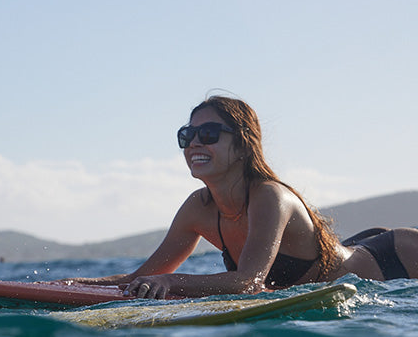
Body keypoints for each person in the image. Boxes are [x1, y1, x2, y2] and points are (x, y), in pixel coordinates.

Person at [64, 95, 418, 299]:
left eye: (208, 133)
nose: (195, 143)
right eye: (187, 135)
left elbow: (248, 282)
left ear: (243, 144)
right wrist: (72, 284)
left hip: (393, 259)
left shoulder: (269, 196)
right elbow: (143, 275)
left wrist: (171, 282)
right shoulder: (198, 208)